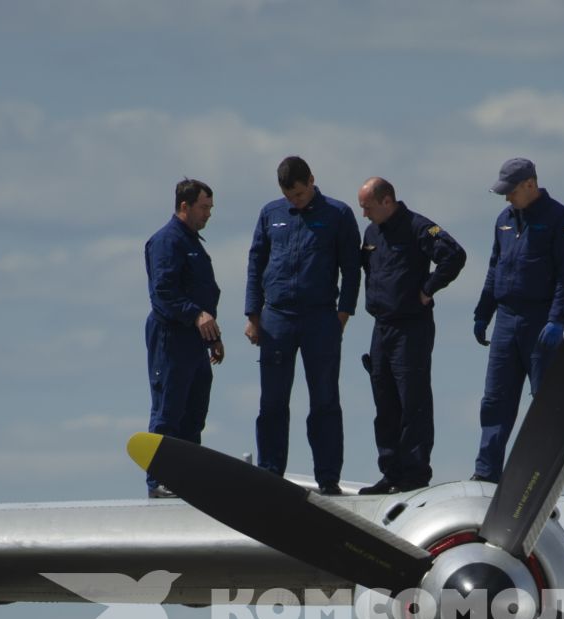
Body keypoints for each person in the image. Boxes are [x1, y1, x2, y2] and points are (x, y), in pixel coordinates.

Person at [244, 156, 361, 495]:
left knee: (324, 400)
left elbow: (351, 268)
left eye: (298, 193)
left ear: (311, 181)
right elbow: (256, 263)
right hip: (277, 318)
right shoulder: (271, 214)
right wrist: (253, 314)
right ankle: (270, 474)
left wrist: (344, 313)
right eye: (288, 195)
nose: (294, 201)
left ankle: (328, 479)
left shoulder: (337, 214)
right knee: (273, 402)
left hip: (320, 318)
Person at [471, 158, 564, 481]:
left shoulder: (562, 220)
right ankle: (486, 473)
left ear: (530, 185)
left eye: (512, 191)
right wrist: (482, 313)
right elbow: (494, 268)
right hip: (506, 319)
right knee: (495, 400)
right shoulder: (504, 220)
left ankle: (542, 474)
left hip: (540, 321)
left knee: (545, 403)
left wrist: (557, 319)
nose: (507, 198)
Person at [355, 176, 466, 494]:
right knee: (385, 402)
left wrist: (428, 289)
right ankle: (391, 471)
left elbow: (454, 255)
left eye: (368, 207)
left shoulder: (418, 227)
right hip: (382, 327)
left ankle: (414, 474)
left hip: (411, 328)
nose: (364, 214)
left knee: (412, 401)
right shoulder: (372, 232)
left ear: (386, 201)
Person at [143, 177, 223, 497]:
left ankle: (187, 480)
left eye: (210, 208)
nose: (208, 214)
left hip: (195, 343)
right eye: (204, 208)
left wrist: (212, 336)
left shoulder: (193, 243)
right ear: (184, 206)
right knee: (168, 412)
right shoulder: (167, 241)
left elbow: (204, 296)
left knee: (194, 414)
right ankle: (159, 481)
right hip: (171, 338)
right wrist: (196, 315)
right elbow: (163, 293)